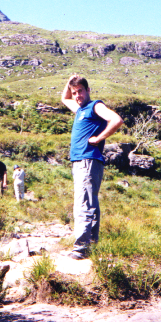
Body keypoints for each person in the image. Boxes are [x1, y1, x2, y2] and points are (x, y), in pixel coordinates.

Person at [60, 74, 124, 259]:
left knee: (83, 205)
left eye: (80, 91)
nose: (77, 95)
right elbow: (64, 98)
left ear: (88, 90)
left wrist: (98, 138)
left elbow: (116, 120)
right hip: (81, 161)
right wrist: (69, 81)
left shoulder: (94, 105)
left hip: (88, 160)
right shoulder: (79, 109)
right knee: (90, 204)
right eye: (75, 92)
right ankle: (91, 246)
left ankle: (80, 249)